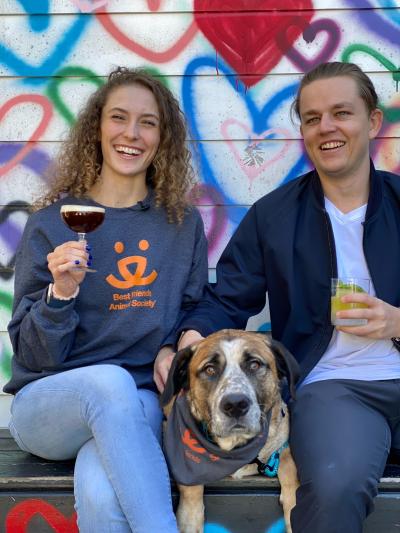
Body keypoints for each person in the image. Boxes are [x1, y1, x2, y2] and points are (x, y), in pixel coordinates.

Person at [174, 62, 400, 532]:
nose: (327, 128)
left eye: (342, 112)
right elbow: (229, 297)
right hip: (334, 389)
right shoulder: (274, 216)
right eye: (313, 117)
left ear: (373, 122)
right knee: (335, 486)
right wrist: (189, 338)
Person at [6, 67, 208, 533]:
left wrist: (176, 342)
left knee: (99, 498)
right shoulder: (53, 224)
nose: (131, 133)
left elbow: (195, 308)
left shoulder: (180, 223)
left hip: (135, 403)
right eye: (119, 117)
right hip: (47, 407)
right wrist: (61, 294)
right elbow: (34, 356)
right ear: (97, 127)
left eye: (148, 122)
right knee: (108, 382)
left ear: (164, 137)